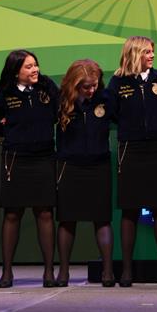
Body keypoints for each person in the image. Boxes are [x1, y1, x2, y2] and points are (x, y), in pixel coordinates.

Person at [107, 36, 157, 287]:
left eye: (152, 51)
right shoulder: (117, 82)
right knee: (130, 209)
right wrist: (131, 129)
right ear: (134, 53)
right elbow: (112, 112)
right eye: (147, 52)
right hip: (131, 150)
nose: (152, 56)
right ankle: (127, 271)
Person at [0, 50, 59, 287]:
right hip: (15, 159)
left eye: (36, 65)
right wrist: (11, 130)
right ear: (16, 72)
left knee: (45, 213)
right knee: (12, 214)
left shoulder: (46, 87)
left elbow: (59, 110)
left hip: (44, 157)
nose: (35, 70)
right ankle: (7, 272)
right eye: (29, 67)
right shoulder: (5, 93)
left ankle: (49, 272)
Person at [56, 60, 114, 287]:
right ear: (74, 85)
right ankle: (63, 272)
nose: (91, 90)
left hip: (99, 166)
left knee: (102, 219)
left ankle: (108, 272)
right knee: (67, 219)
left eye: (94, 85)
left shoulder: (106, 99)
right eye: (85, 87)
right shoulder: (61, 101)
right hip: (70, 167)